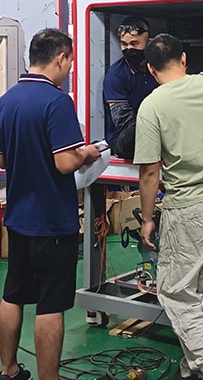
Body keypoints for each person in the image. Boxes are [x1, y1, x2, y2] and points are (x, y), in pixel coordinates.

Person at [134, 0, 203, 380]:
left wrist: (147, 219)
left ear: (150, 68)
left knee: (173, 290)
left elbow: (150, 173)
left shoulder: (151, 106)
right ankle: (195, 368)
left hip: (189, 207)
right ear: (184, 59)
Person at [0, 29, 101, 380]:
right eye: (70, 61)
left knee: (13, 294)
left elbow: (4, 156)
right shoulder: (57, 102)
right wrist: (86, 153)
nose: (70, 68)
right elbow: (64, 162)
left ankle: (9, 369)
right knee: (51, 303)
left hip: (18, 219)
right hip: (52, 222)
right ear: (60, 58)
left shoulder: (8, 100)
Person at [103, 17, 158, 160]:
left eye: (134, 43)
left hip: (157, 129)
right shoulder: (116, 75)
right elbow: (123, 120)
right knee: (131, 137)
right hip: (126, 136)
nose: (128, 48)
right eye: (124, 44)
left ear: (148, 43)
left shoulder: (159, 68)